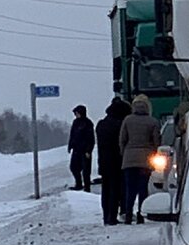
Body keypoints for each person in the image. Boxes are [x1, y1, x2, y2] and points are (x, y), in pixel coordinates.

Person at [118, 94, 161, 224]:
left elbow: (122, 140)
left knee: (130, 189)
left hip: (129, 160)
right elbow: (156, 142)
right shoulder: (152, 121)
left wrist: (124, 154)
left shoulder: (127, 120)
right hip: (145, 161)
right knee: (143, 189)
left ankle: (128, 215)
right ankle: (141, 215)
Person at [95, 97, 131, 225]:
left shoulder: (101, 124)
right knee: (117, 190)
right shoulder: (121, 125)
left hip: (104, 162)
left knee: (106, 189)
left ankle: (106, 216)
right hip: (118, 162)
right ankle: (113, 216)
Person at [67, 104, 95, 192]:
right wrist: (70, 145)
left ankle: (87, 187)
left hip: (85, 151)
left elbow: (91, 138)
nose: (76, 115)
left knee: (86, 170)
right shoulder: (75, 122)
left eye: (77, 113)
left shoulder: (88, 123)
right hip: (76, 150)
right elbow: (72, 135)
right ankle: (78, 184)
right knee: (73, 167)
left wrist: (88, 150)